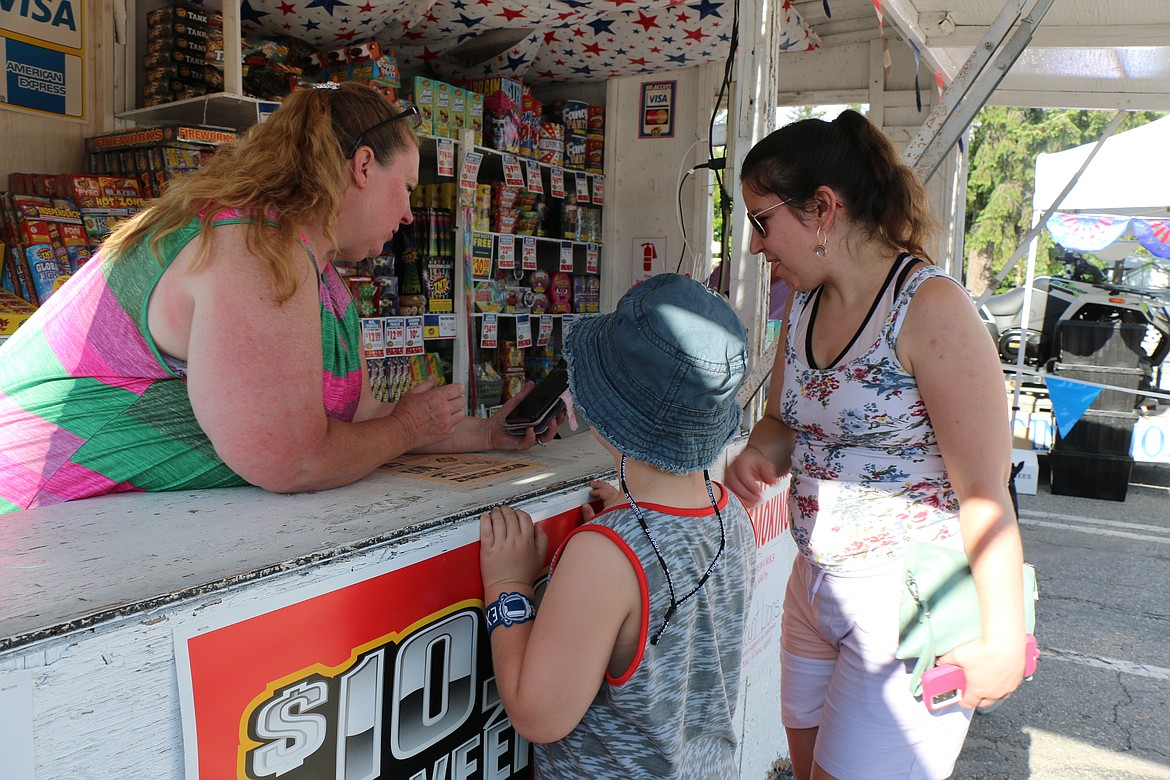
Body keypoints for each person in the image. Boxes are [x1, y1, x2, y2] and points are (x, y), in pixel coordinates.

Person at [0, 82, 553, 515]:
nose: (410, 214)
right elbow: (295, 460)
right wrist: (407, 426)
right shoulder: (254, 248)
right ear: (362, 167)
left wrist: (487, 434)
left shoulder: (315, 271)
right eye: (405, 187)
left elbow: (359, 428)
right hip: (35, 530)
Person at [723, 110, 1026, 780]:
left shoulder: (930, 306)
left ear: (822, 209)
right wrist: (757, 456)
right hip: (812, 589)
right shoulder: (801, 305)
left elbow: (984, 490)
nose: (754, 247)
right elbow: (784, 424)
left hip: (905, 598)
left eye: (760, 221)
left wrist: (1004, 636)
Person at [477, 273, 757, 778]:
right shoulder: (732, 514)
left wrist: (508, 584)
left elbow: (538, 714)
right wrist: (627, 514)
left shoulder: (604, 554)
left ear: (607, 412)